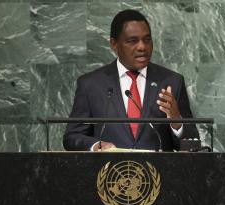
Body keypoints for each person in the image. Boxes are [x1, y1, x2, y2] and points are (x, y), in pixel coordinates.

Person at [63, 9, 199, 152]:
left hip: (159, 172)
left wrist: (177, 122)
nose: (142, 47)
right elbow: (72, 136)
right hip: (109, 171)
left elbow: (192, 144)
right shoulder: (90, 85)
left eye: (147, 40)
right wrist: (96, 145)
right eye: (132, 41)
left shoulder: (171, 82)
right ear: (114, 44)